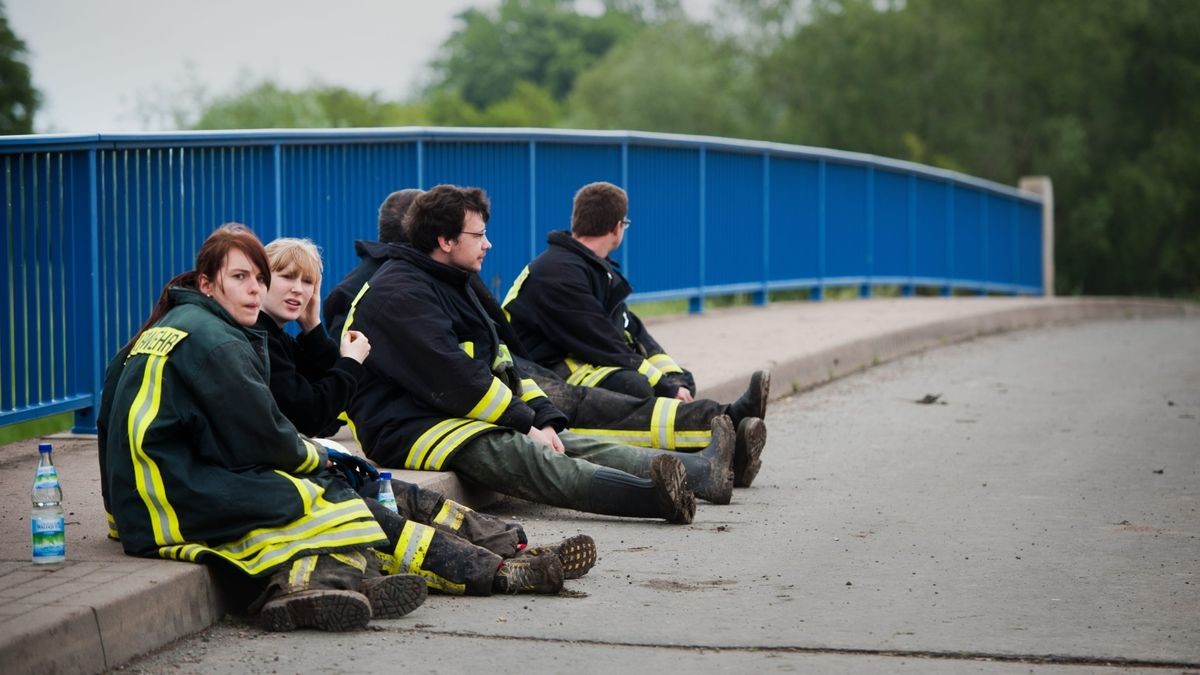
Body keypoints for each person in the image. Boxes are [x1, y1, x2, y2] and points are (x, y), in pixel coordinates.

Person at [96, 224, 425, 633]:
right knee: (315, 493)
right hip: (167, 503)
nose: (256, 289)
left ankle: (351, 582)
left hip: (143, 501)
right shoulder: (220, 341)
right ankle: (299, 591)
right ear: (207, 283)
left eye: (259, 278)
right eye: (242, 277)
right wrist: (322, 455)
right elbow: (273, 436)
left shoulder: (174, 326)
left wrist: (314, 327)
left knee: (312, 492)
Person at [326, 188, 769, 489]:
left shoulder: (447, 275)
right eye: (474, 233)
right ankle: (716, 432)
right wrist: (525, 415)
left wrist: (674, 377)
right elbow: (433, 369)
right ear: (435, 237)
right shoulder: (372, 291)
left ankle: (723, 431)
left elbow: (627, 333)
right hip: (471, 395)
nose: (484, 243)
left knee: (582, 410)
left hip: (509, 372)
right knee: (592, 407)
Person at [256, 236, 596, 593]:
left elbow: (326, 411)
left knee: (410, 497)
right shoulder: (259, 340)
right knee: (385, 516)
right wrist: (349, 363)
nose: (298, 290)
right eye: (286, 277)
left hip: (309, 464)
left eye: (307, 282)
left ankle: (515, 548)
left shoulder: (279, 337)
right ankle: (501, 571)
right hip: (289, 477)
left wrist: (313, 329)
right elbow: (315, 410)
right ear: (261, 281)